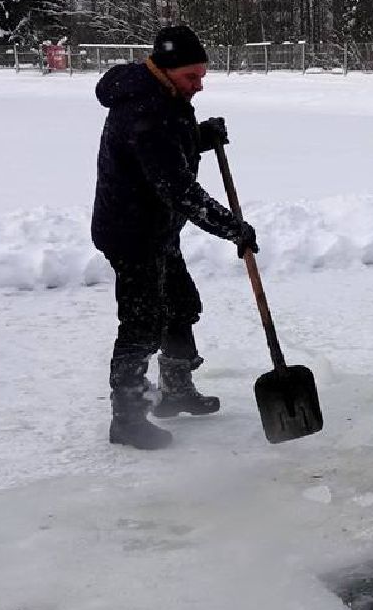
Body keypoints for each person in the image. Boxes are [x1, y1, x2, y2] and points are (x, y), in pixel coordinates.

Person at [92, 25, 261, 449]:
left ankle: (177, 390)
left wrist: (200, 137)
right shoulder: (144, 109)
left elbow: (168, 150)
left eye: (203, 76)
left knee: (180, 305)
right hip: (132, 233)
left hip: (157, 227)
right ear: (164, 69)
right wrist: (231, 227)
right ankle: (127, 418)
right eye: (192, 77)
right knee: (141, 323)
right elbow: (177, 187)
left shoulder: (164, 95)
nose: (199, 85)